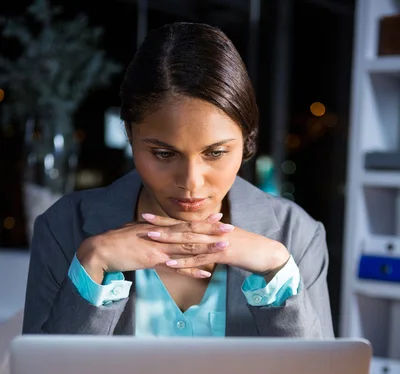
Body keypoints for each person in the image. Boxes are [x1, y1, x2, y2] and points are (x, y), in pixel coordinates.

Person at [22, 21, 334, 340]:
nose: (191, 182)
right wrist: (92, 264)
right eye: (163, 154)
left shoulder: (297, 234)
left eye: (215, 153)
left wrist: (277, 273)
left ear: (247, 140)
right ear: (129, 134)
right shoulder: (62, 227)